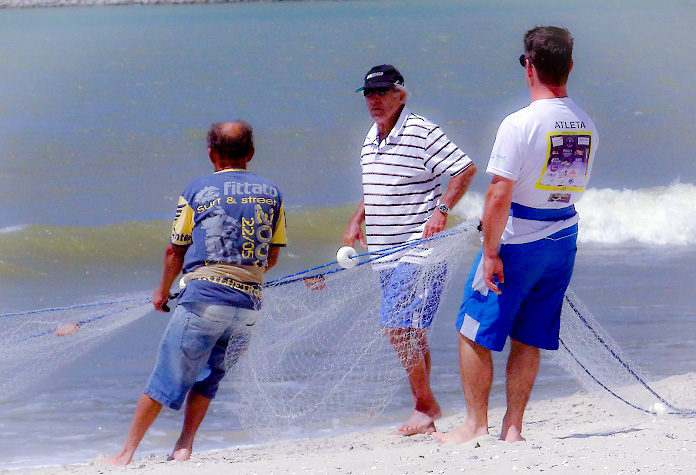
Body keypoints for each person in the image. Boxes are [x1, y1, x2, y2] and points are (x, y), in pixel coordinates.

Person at [435, 26, 598, 444]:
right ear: (570, 67)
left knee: (472, 329)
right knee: (529, 335)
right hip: (563, 238)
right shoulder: (586, 123)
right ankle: (513, 429)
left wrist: (490, 253)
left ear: (529, 67)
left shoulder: (519, 123)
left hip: (519, 241)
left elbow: (499, 193)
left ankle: (475, 425)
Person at [107, 121, 287, 465]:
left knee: (167, 376)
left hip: (204, 298)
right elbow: (272, 255)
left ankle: (126, 452)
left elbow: (174, 251)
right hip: (248, 305)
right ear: (250, 153)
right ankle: (184, 445)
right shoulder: (272, 192)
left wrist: (162, 292)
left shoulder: (196, 190)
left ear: (211, 154)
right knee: (210, 376)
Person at [344, 64, 477, 436]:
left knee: (396, 326)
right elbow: (376, 187)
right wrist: (356, 221)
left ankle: (427, 403)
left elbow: (464, 169)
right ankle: (423, 410)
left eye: (383, 92)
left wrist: (442, 211)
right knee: (410, 331)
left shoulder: (421, 130)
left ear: (401, 95)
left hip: (420, 250)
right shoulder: (372, 138)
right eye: (369, 94)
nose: (375, 100)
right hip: (382, 253)